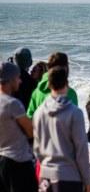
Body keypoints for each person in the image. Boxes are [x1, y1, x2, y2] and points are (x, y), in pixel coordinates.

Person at [33, 67, 90, 192]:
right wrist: (87, 180)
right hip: (69, 176)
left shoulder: (39, 112)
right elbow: (81, 149)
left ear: (49, 85)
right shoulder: (75, 113)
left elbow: (37, 148)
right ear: (67, 84)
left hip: (46, 177)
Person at [0, 62, 38, 192]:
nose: (20, 81)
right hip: (18, 161)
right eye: (17, 77)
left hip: (2, 160)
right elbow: (30, 131)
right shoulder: (13, 104)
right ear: (10, 80)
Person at [27, 52, 78, 119]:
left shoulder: (37, 92)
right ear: (66, 67)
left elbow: (30, 117)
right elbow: (74, 121)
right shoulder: (70, 93)